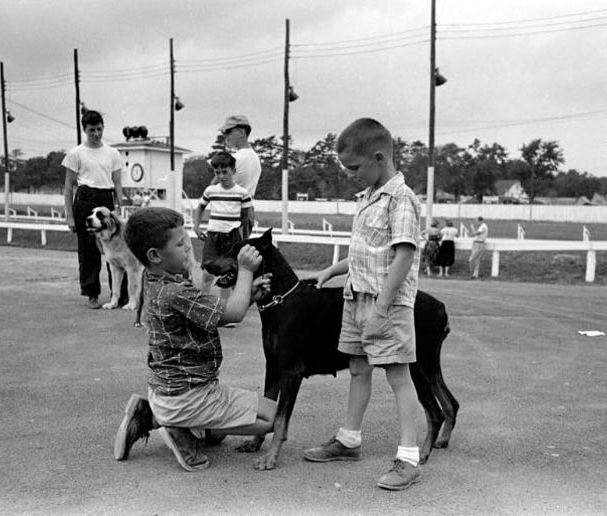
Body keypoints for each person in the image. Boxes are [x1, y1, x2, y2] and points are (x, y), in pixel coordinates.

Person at [301, 118, 424, 491]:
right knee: (357, 367)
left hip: (386, 302)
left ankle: (408, 458)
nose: (350, 175)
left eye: (354, 168)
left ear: (379, 157)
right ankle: (349, 439)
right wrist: (331, 271)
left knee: (398, 375)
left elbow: (403, 256)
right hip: (355, 296)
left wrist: (382, 309)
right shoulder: (368, 196)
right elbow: (366, 253)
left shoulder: (400, 199)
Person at [113, 207, 275, 471]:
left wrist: (248, 297)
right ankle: (178, 429)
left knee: (220, 433)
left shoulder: (155, 279)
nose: (188, 248)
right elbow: (232, 314)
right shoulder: (176, 292)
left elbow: (208, 311)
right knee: (274, 418)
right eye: (180, 244)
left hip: (165, 390)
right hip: (191, 397)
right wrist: (245, 271)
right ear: (154, 255)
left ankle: (154, 415)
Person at [63, 109, 124, 309]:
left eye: (99, 129)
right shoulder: (76, 154)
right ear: (84, 130)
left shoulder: (113, 153)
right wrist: (70, 216)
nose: (96, 134)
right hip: (85, 200)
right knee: (89, 252)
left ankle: (119, 295)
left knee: (115, 250)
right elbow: (68, 186)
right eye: (92, 130)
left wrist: (119, 205)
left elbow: (116, 182)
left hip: (105, 200)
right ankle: (92, 293)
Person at [192, 152, 252, 296]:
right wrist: (196, 226)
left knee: (227, 277)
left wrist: (243, 239)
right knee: (207, 274)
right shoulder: (210, 190)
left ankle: (226, 312)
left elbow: (246, 219)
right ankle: (203, 307)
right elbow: (200, 207)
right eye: (217, 172)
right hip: (213, 237)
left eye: (225, 172)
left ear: (234, 171)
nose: (221, 176)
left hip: (232, 238)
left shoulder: (242, 193)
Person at [219, 115, 261, 239]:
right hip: (247, 210)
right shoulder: (254, 157)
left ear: (242, 132)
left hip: (231, 212)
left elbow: (214, 187)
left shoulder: (235, 159)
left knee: (218, 256)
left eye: (228, 132)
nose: (225, 136)